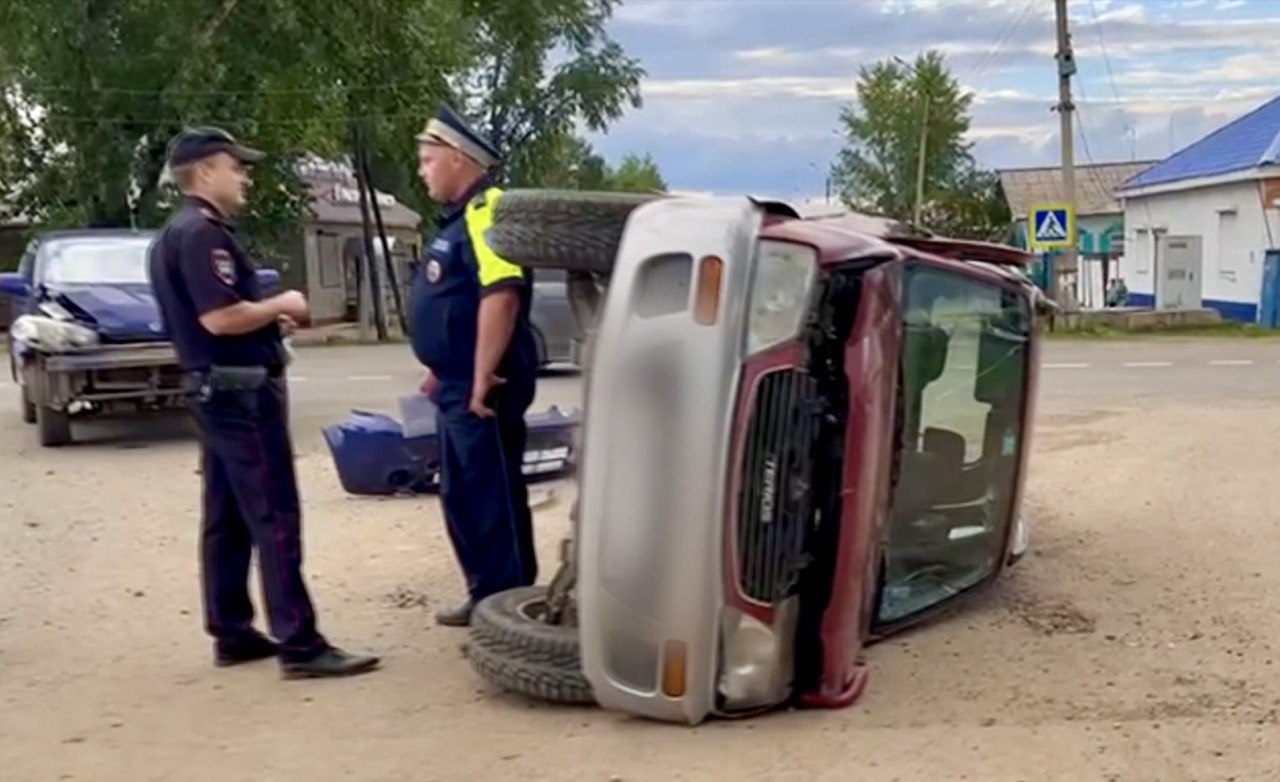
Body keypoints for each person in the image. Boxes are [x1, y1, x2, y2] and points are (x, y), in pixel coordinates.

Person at [148, 126, 379, 678]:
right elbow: (219, 318)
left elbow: (219, 318)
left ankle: (231, 630)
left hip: (217, 385)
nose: (244, 176)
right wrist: (285, 303)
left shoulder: (174, 234)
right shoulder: (202, 234)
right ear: (204, 172)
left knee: (226, 514)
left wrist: (264, 321)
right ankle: (300, 642)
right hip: (239, 393)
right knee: (274, 512)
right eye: (236, 166)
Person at [410, 105, 540, 626]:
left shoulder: (489, 212)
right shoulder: (456, 221)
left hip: (487, 383)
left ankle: (510, 606)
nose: (421, 171)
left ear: (458, 158)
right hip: (457, 381)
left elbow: (501, 293)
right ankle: (484, 593)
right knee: (461, 494)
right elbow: (455, 304)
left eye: (426, 160)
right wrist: (441, 366)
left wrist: (483, 375)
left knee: (492, 496)